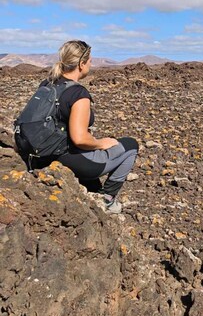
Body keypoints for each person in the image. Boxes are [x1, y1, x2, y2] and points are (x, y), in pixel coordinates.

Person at [41, 40, 138, 214]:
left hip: (43, 155)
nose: (91, 64)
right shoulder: (78, 93)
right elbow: (79, 139)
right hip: (68, 159)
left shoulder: (47, 85)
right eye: (90, 61)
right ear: (81, 64)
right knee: (131, 145)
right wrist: (102, 143)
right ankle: (107, 200)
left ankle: (89, 190)